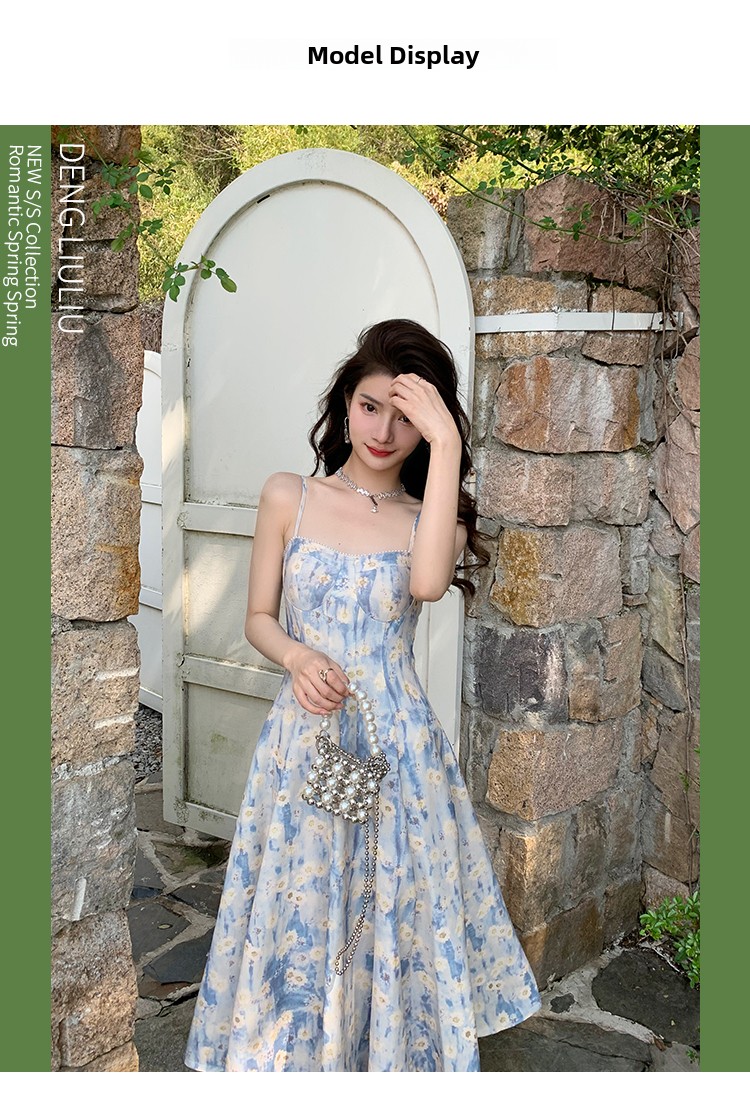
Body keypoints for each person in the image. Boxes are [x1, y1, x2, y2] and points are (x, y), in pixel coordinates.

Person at [184, 319, 541, 1072]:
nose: (384, 431)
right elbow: (257, 617)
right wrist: (297, 654)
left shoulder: (429, 519)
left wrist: (449, 445)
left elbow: (427, 584)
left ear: (429, 430)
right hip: (307, 737)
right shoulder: (289, 495)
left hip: (395, 748)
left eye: (407, 418)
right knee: (304, 902)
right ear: (346, 404)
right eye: (372, 406)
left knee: (391, 907)